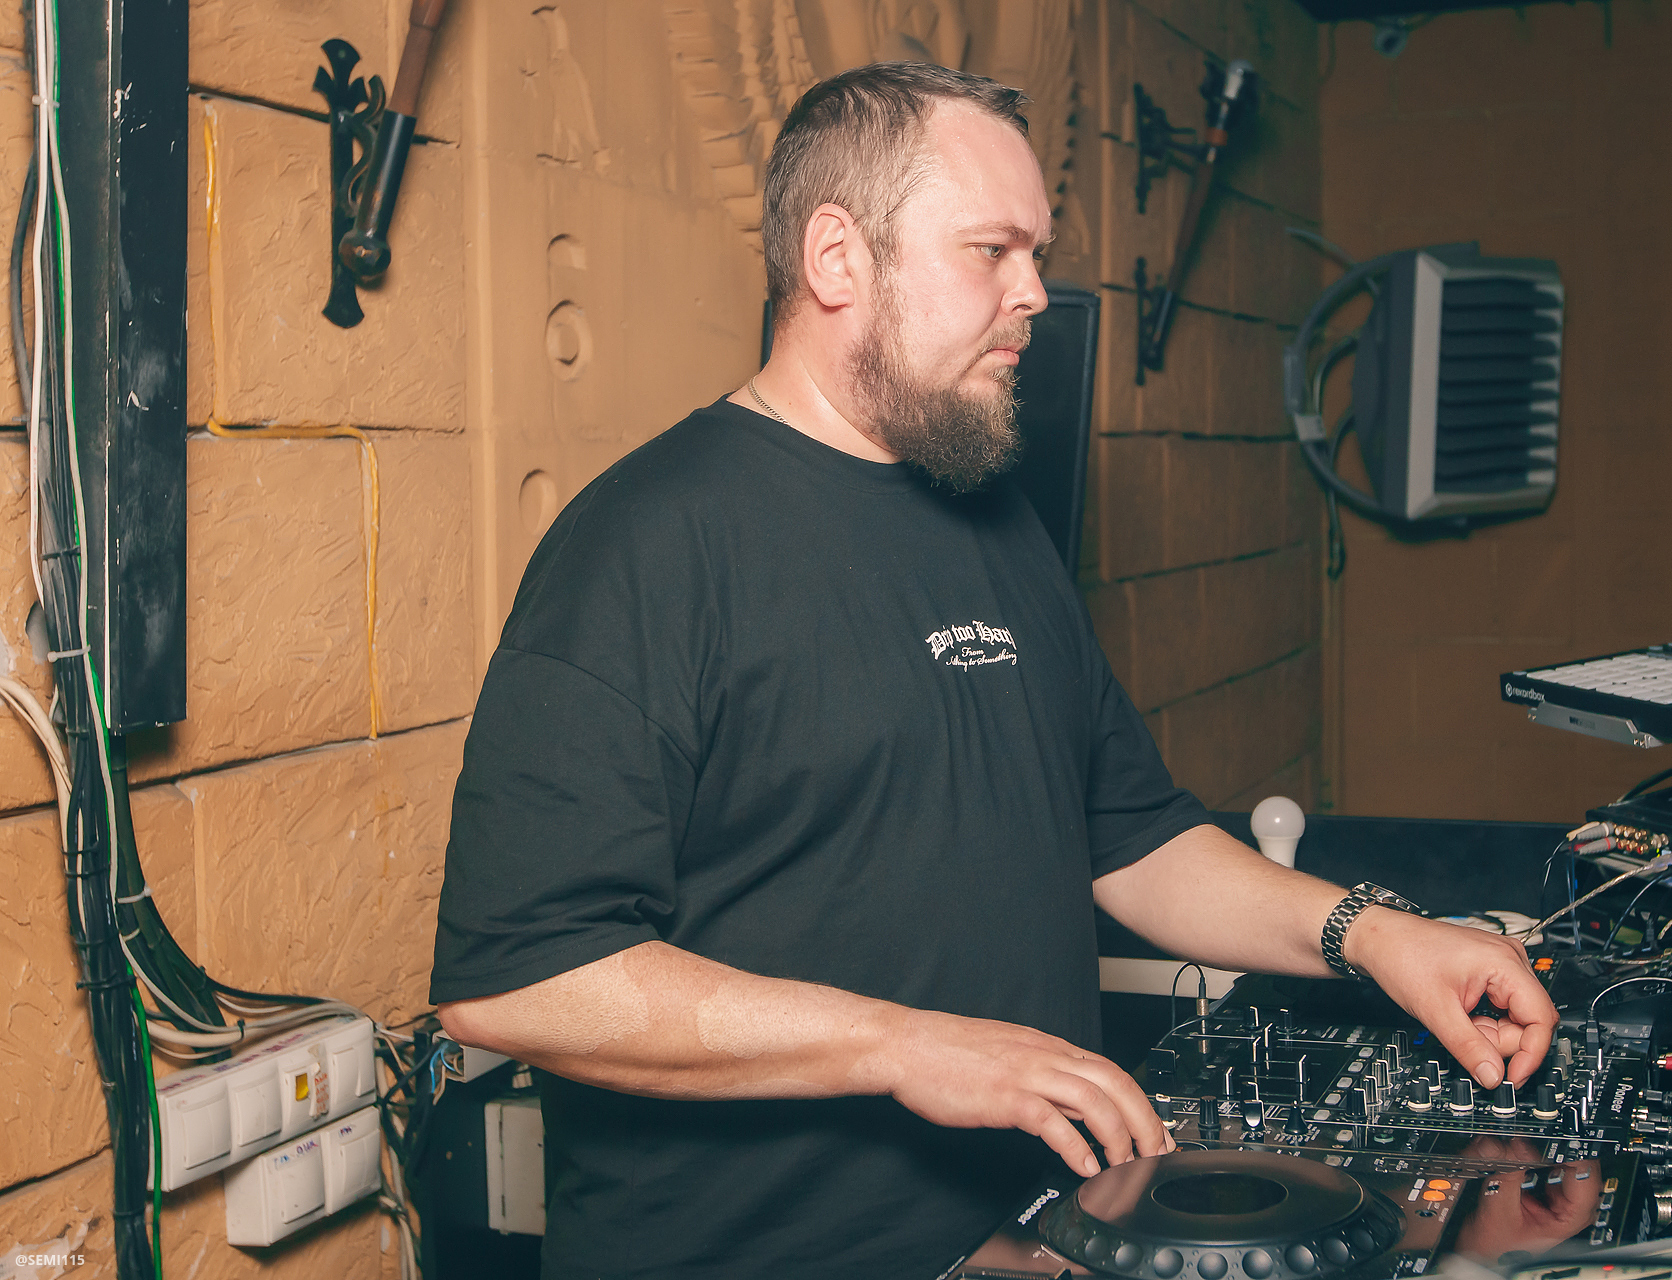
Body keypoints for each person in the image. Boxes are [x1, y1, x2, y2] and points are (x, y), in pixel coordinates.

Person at [430, 61, 1558, 1280]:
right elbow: (520, 980)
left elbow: (1132, 834)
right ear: (837, 258)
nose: (1034, 294)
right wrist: (902, 1045)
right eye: (991, 251)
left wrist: (1374, 935)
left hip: (1021, 1235)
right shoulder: (647, 543)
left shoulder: (992, 515)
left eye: (1037, 254)